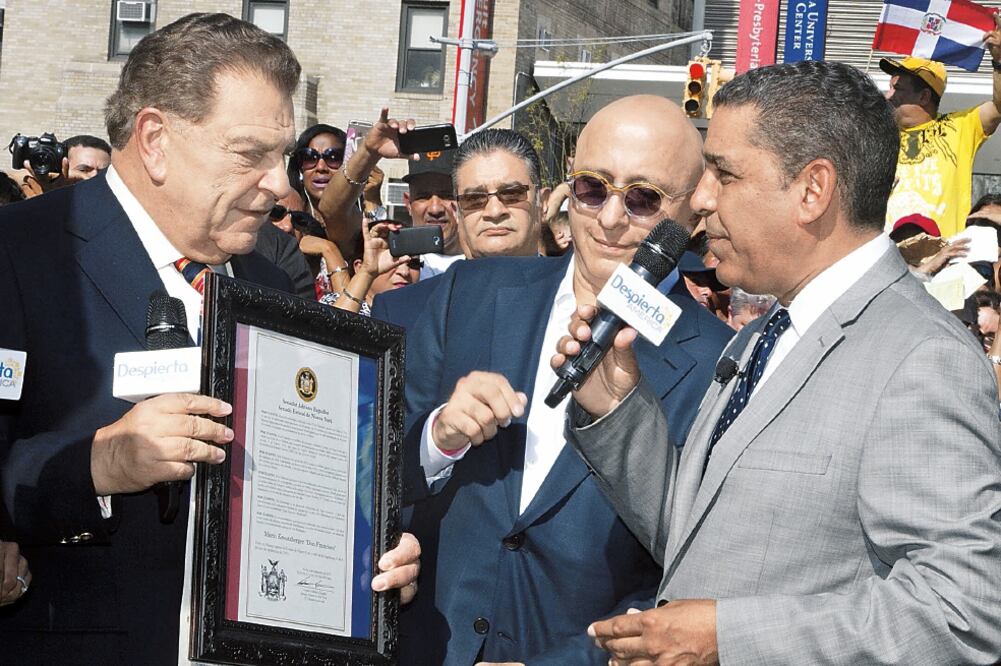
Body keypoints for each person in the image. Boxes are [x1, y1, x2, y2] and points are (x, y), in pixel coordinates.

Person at [0, 13, 419, 664]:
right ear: (156, 139)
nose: (279, 183)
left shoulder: (273, 282)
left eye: (282, 155)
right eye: (251, 154)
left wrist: (371, 548)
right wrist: (99, 464)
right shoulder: (19, 254)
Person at [556, 60, 1001, 665]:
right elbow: (696, 535)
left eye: (724, 174)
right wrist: (614, 407)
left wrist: (730, 639)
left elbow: (964, 613)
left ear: (813, 190)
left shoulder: (921, 359)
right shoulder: (762, 334)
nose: (701, 201)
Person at [389, 95, 733, 665]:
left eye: (643, 199)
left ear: (691, 212)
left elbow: (698, 565)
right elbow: (370, 472)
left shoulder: (719, 362)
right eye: (594, 188)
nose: (611, 218)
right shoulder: (470, 294)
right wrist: (437, 438)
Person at [370, 128, 549, 332]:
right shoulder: (400, 311)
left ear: (543, 203)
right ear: (458, 210)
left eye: (512, 193)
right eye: (474, 198)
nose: (494, 210)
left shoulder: (580, 302)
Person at [883, 17, 1001, 236]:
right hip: (890, 261)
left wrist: (999, 61)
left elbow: (999, 106)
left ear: (924, 96)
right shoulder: (878, 138)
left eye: (897, 89)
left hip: (943, 260)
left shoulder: (960, 127)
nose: (888, 96)